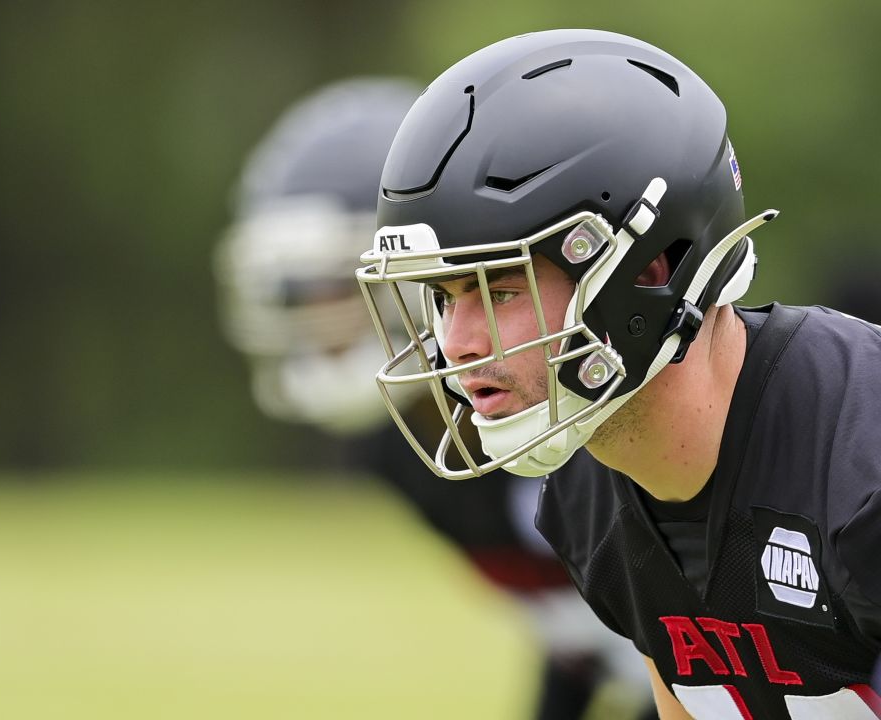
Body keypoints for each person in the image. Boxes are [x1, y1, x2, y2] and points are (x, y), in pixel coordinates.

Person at [353, 29, 881, 719]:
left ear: (646, 272)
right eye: (445, 300)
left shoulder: (858, 464)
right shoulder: (585, 497)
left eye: (498, 292)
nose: (455, 346)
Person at [217, 78, 655, 719]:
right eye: (301, 291)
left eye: (338, 286)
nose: (320, 319)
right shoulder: (393, 443)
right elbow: (571, 622)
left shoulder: (578, 408)